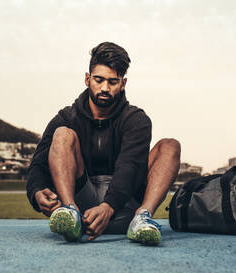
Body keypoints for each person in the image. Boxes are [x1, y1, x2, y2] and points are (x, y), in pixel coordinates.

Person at [26, 42, 180, 245]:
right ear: (87, 79)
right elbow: (38, 165)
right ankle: (70, 214)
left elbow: (130, 166)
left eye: (113, 82)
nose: (105, 88)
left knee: (170, 146)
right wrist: (37, 191)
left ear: (123, 83)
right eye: (99, 80)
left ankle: (142, 218)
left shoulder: (136, 120)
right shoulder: (66, 117)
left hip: (125, 205)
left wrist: (109, 206)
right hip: (83, 208)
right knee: (63, 134)